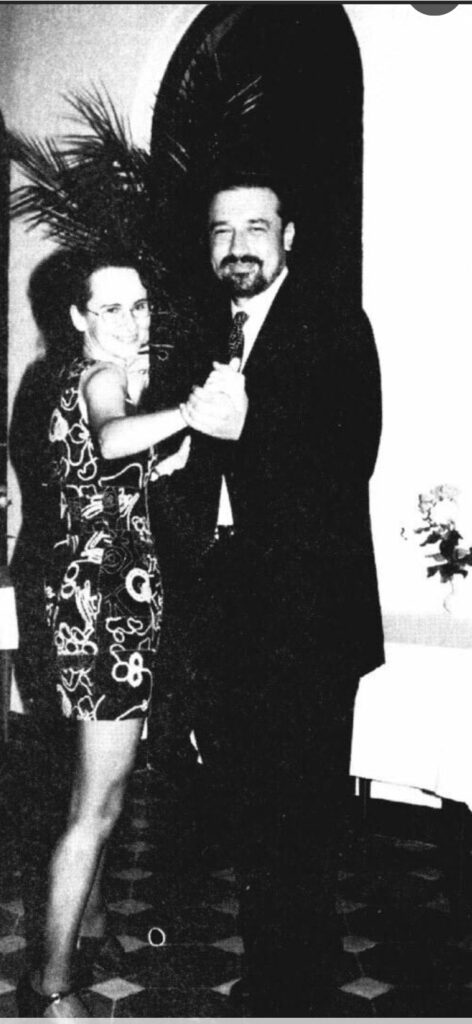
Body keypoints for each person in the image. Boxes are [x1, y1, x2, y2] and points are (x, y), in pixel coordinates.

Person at [154, 170, 384, 1016]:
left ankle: (299, 987)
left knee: (304, 810)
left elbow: (349, 454)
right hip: (226, 606)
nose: (238, 246)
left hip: (307, 611)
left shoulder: (333, 324)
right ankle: (280, 969)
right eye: (222, 231)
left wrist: (247, 431)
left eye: (256, 227)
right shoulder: (202, 337)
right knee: (254, 807)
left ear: (289, 237)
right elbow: (186, 468)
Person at [16, 252, 191, 1018]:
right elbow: (114, 437)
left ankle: (88, 925)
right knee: (100, 806)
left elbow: (98, 477)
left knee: (94, 791)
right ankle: (51, 986)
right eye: (112, 308)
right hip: (106, 611)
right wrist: (187, 415)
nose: (132, 321)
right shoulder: (99, 378)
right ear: (78, 318)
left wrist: (160, 459)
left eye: (140, 305)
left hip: (93, 601)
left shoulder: (67, 377)